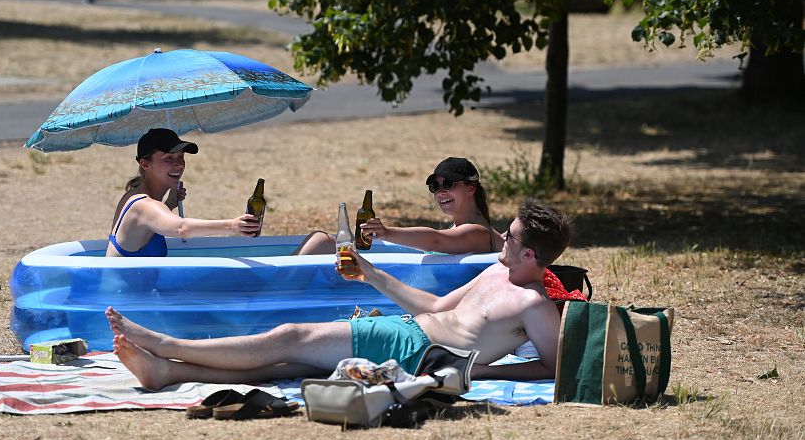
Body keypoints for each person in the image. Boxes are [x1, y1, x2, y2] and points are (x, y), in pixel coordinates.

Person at [106, 199, 571, 389]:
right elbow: (434, 307)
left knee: (292, 334)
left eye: (509, 237)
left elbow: (554, 366)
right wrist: (371, 274)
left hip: (417, 352)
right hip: (406, 332)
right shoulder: (495, 271)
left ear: (530, 254)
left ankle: (168, 346)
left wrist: (480, 371)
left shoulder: (534, 304)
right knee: (292, 366)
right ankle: (167, 371)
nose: (501, 240)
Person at [295, 157, 501, 255]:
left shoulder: (480, 233)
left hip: (433, 309)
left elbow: (435, 241)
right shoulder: (458, 229)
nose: (440, 192)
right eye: (434, 186)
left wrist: (386, 232)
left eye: (448, 184)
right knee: (321, 242)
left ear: (471, 188)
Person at [107, 128, 261, 258]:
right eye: (168, 158)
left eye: (181, 156)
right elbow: (181, 229)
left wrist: (169, 204)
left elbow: (146, 228)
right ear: (145, 164)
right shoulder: (143, 205)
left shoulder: (134, 194)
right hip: (125, 294)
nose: (179, 164)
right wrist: (232, 225)